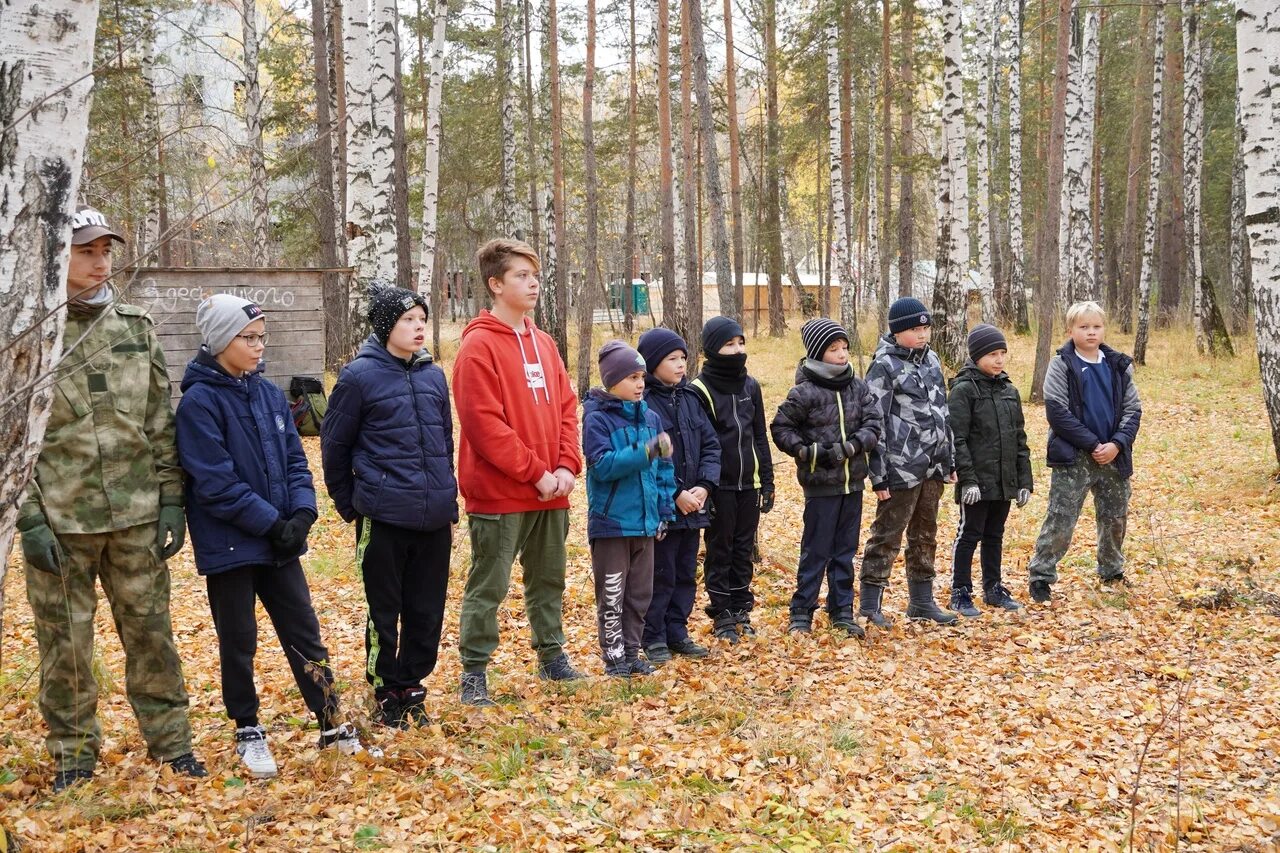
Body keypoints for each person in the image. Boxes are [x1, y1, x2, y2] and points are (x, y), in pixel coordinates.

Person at [18, 206, 205, 791]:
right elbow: (14, 441)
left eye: (106, 252)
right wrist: (29, 521)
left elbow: (158, 420)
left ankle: (172, 745)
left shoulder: (134, 326)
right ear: (58, 258)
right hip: (62, 520)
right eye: (86, 252)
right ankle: (74, 754)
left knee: (152, 635)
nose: (100, 263)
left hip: (136, 516)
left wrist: (172, 499)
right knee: (66, 646)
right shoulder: (29, 334)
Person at [177, 295, 371, 778]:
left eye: (262, 337)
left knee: (304, 631)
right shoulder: (200, 402)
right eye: (249, 337)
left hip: (280, 542)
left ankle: (331, 720)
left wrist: (302, 514)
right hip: (231, 544)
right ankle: (248, 728)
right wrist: (271, 523)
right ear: (222, 339)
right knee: (238, 638)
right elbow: (215, 483)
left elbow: (293, 459)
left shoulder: (266, 395)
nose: (259, 346)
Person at [452, 238, 584, 706]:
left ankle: (552, 656)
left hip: (553, 491)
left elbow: (568, 407)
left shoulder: (544, 342)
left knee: (549, 579)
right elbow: (484, 426)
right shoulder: (478, 347)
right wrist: (535, 472)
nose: (533, 284)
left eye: (535, 275)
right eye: (522, 276)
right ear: (495, 284)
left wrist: (567, 464)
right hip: (501, 493)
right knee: (489, 585)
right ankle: (474, 673)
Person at [322, 285, 458, 726]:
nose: (418, 328)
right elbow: (334, 449)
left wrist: (446, 496)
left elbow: (443, 441)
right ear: (385, 327)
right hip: (384, 515)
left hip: (433, 515)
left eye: (422, 319)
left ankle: (412, 685)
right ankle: (385, 690)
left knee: (427, 607)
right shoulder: (358, 377)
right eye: (407, 321)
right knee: (385, 608)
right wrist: (354, 507)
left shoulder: (434, 376)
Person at [770, 318, 882, 637]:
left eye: (845, 348)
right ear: (819, 353)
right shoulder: (804, 392)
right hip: (821, 487)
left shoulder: (857, 387)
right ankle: (802, 611)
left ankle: (842, 610)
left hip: (853, 483)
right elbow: (781, 428)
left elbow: (874, 424)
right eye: (834, 349)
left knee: (845, 550)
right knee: (816, 551)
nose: (842, 355)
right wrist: (808, 452)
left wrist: (852, 446)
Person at [1026, 301, 1142, 603]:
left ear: (1104, 329)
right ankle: (1041, 576)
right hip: (1074, 457)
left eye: (1096, 326)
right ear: (1071, 330)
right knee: (1061, 518)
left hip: (1114, 456)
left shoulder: (1117, 365)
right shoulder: (1063, 364)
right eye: (1084, 327)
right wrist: (1092, 445)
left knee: (1115, 517)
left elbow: (1133, 410)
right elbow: (1057, 412)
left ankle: (1112, 570)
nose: (1091, 332)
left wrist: (1117, 444)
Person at [857, 297, 959, 627]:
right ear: (898, 331)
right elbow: (874, 421)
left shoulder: (931, 361)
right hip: (900, 467)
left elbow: (942, 412)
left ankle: (921, 601)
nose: (922, 335)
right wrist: (879, 475)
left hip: (933, 465)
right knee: (887, 534)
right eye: (915, 329)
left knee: (925, 534)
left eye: (926, 328)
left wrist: (949, 457)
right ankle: (870, 604)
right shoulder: (883, 366)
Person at [583, 341, 677, 676]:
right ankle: (614, 658)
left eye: (641, 377)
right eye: (631, 377)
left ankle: (633, 652)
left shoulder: (651, 417)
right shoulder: (597, 419)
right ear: (611, 381)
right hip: (612, 525)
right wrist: (646, 451)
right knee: (612, 595)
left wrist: (665, 510)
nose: (640, 384)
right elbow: (603, 466)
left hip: (646, 524)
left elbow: (664, 470)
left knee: (640, 594)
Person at [636, 328, 720, 663]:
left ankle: (677, 631)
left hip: (695, 506)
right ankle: (652, 635)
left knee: (686, 571)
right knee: (660, 572)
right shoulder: (644, 404)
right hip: (664, 508)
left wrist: (705, 486)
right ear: (653, 363)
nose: (681, 364)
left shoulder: (691, 399)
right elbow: (649, 461)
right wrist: (676, 495)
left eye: (683, 358)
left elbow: (712, 446)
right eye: (672, 358)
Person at [690, 316, 774, 643]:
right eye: (729, 344)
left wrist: (767, 481)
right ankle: (721, 611)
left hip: (748, 484)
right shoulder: (700, 389)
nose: (737, 350)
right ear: (713, 348)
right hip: (719, 486)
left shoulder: (750, 386)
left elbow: (759, 436)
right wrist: (706, 488)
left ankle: (741, 607)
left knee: (743, 549)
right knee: (719, 549)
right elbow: (700, 444)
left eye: (741, 343)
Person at [945, 324, 1033, 617]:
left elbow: (1020, 439)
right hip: (977, 482)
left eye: (1002, 354)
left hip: (1003, 480)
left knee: (995, 534)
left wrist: (1023, 481)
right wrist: (967, 480)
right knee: (969, 533)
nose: (999, 360)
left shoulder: (1010, 391)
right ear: (977, 355)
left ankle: (993, 588)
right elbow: (957, 437)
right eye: (992, 354)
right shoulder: (964, 389)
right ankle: (960, 591)